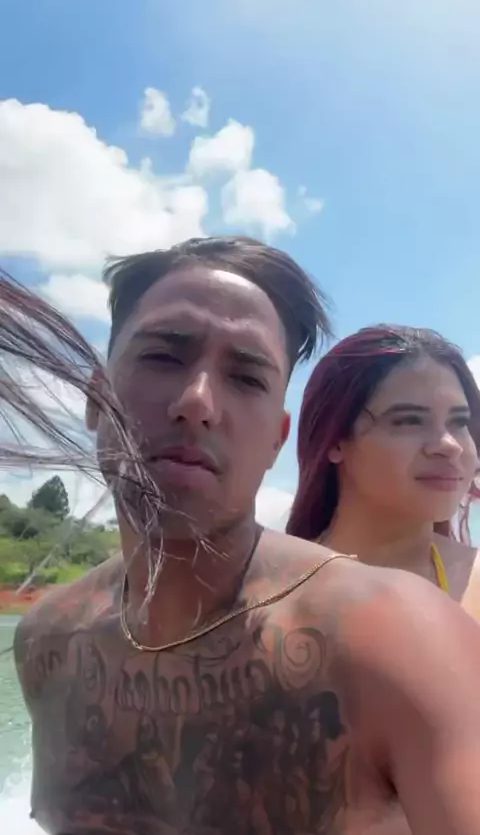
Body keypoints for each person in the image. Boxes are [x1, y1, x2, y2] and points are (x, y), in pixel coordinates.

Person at [10, 239, 480, 835]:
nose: (197, 403)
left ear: (278, 439)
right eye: (163, 356)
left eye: (247, 378)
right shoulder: (46, 641)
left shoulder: (399, 641)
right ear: (95, 398)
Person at [287, 325, 480, 623]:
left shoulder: (473, 576)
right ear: (335, 439)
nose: (449, 445)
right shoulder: (271, 594)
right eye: (408, 421)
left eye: (459, 422)